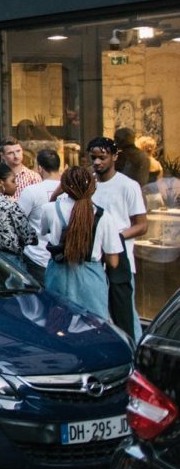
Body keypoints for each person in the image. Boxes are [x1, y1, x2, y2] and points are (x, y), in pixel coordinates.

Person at [38, 166, 123, 321]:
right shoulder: (104, 216)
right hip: (91, 279)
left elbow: (44, 231)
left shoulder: (50, 209)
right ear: (93, 187)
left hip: (59, 274)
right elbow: (113, 261)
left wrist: (55, 195)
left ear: (64, 186)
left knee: (56, 323)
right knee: (94, 326)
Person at [89, 136, 147, 344]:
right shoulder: (89, 184)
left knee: (125, 311)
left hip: (120, 256)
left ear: (114, 157)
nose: (97, 162)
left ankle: (135, 351)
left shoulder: (128, 186)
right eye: (93, 158)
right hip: (94, 258)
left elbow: (142, 224)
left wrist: (116, 236)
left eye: (102, 158)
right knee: (98, 309)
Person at [16, 148, 62, 285]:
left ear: (39, 168)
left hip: (37, 256)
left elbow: (18, 221)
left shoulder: (31, 191)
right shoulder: (71, 191)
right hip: (62, 257)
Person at [0, 137, 40, 201]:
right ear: (2, 156)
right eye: (10, 153)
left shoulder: (33, 177)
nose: (16, 156)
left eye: (18, 151)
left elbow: (38, 201)